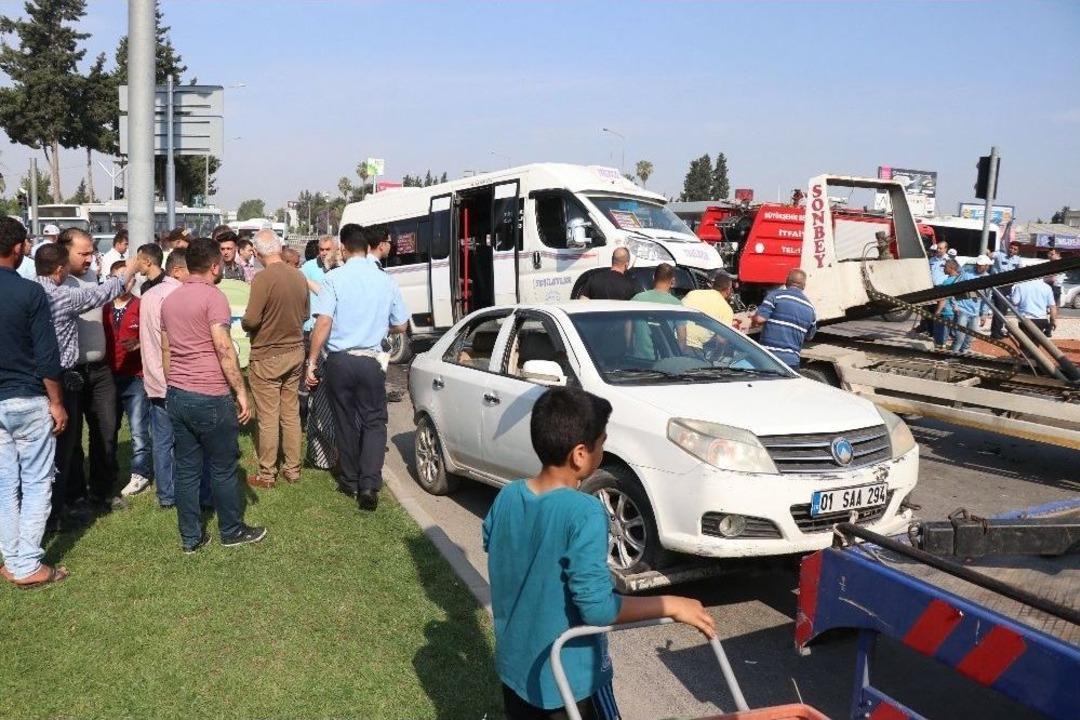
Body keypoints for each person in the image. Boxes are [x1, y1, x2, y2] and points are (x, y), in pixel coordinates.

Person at [483, 387, 714, 718]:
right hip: (567, 681)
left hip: (515, 667)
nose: (604, 449)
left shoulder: (508, 496)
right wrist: (673, 605)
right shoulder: (585, 512)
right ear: (580, 454)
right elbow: (598, 609)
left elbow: (499, 548)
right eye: (602, 442)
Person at [161, 237, 266, 552]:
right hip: (209, 393)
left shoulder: (170, 300)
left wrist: (173, 385)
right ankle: (231, 530)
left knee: (188, 468)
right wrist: (241, 391)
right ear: (215, 266)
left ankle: (191, 538)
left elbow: (166, 349)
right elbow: (223, 348)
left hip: (178, 392)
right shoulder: (214, 297)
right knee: (223, 467)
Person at [306, 224, 408, 510]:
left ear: (344, 248)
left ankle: (350, 479)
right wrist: (378, 324)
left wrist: (311, 361)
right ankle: (369, 483)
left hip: (340, 360)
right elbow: (401, 324)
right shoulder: (386, 280)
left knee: (345, 420)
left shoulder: (334, 279)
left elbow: (323, 322)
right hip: (371, 360)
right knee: (375, 422)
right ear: (367, 248)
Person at [36, 232, 135, 522]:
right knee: (70, 439)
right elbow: (103, 295)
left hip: (99, 368)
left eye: (91, 252)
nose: (90, 258)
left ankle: (103, 490)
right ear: (63, 256)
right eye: (83, 253)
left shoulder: (92, 276)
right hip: (68, 373)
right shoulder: (56, 287)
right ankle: (73, 496)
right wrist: (131, 269)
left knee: (106, 428)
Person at [0, 217, 68, 587]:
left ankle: (13, 558)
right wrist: (56, 402)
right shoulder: (30, 293)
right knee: (38, 481)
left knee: (5, 482)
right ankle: (25, 563)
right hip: (26, 398)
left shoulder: (29, 292)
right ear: (16, 248)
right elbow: (47, 358)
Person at [241, 229, 309, 488]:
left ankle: (267, 474)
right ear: (279, 248)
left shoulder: (262, 278)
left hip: (268, 354)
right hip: (295, 351)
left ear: (257, 253)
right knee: (291, 413)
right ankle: (293, 469)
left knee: (268, 416)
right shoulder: (299, 276)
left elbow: (251, 320)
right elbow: (305, 315)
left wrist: (246, 324)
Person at [103, 260, 153, 497]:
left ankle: (140, 473)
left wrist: (140, 344)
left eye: (129, 277)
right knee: (108, 429)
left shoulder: (141, 306)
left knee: (138, 429)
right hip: (108, 377)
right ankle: (107, 473)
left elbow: (154, 338)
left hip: (134, 377)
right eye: (118, 277)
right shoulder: (102, 307)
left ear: (134, 280)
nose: (124, 282)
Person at [301, 235, 339, 454]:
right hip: (310, 329)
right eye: (321, 249)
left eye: (327, 249)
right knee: (309, 377)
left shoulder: (338, 270)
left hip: (331, 333)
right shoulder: (308, 268)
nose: (324, 253)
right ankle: (308, 418)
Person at [752, 269, 817, 369]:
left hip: (768, 358)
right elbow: (809, 336)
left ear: (786, 281)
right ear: (803, 286)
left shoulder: (776, 296)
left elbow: (760, 319)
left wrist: (753, 317)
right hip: (791, 363)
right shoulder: (810, 308)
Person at [950, 255, 993, 354]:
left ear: (986, 266)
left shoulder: (988, 278)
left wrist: (984, 314)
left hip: (975, 313)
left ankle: (963, 355)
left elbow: (987, 298)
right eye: (978, 264)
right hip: (962, 309)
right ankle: (952, 356)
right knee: (959, 337)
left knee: (969, 338)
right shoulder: (966, 274)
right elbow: (954, 288)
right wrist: (954, 304)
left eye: (981, 265)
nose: (978, 266)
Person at [989, 241, 1023, 339]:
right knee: (999, 309)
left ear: (1018, 251)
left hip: (1008, 286)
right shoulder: (1000, 254)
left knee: (1003, 310)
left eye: (1015, 249)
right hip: (998, 285)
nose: (1012, 250)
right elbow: (989, 256)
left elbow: (1020, 271)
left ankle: (998, 330)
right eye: (1011, 248)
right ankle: (994, 332)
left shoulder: (1018, 259)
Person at [931, 259, 962, 351]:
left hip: (946, 313)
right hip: (956, 313)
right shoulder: (961, 280)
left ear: (951, 268)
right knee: (953, 335)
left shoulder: (947, 282)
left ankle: (940, 355)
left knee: (941, 340)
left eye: (945, 267)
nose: (943, 269)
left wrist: (937, 312)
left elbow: (943, 299)